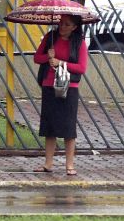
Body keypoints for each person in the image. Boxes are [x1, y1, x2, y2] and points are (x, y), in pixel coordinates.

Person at [32, 14, 89, 176]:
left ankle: (69, 165)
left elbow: (81, 68)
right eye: (61, 23)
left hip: (69, 87)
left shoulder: (79, 43)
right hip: (49, 85)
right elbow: (37, 58)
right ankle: (48, 163)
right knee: (49, 126)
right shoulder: (50, 38)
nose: (62, 27)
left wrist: (60, 62)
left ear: (74, 27)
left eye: (66, 24)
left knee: (68, 126)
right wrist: (47, 57)